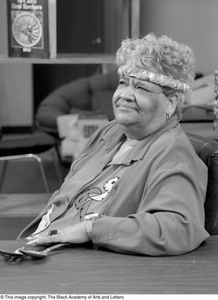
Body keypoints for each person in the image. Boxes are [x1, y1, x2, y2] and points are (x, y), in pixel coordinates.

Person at [20, 32, 209, 256]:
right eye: (123, 83)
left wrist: (91, 230)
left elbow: (178, 227)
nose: (125, 95)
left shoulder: (173, 153)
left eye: (141, 88)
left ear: (171, 103)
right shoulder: (109, 131)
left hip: (78, 266)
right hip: (36, 248)